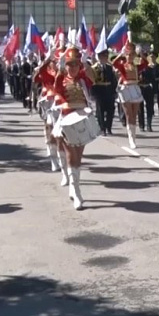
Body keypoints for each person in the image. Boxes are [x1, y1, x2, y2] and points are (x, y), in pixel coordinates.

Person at [52, 46, 95, 210]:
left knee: (79, 156)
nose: (73, 68)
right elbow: (56, 87)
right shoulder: (62, 80)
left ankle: (73, 185)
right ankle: (76, 191)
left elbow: (93, 78)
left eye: (76, 64)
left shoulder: (83, 79)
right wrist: (60, 66)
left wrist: (87, 63)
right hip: (67, 119)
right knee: (71, 155)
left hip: (82, 118)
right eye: (70, 65)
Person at [33, 47, 64, 176]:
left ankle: (63, 159)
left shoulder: (65, 70)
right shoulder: (47, 71)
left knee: (62, 134)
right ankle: (54, 160)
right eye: (55, 59)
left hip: (63, 102)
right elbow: (38, 74)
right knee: (50, 129)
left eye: (59, 59)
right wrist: (46, 60)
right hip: (49, 102)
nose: (57, 61)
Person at [112, 40, 147, 149]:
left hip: (135, 88)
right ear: (126, 56)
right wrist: (120, 54)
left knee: (134, 115)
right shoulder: (123, 66)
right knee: (128, 115)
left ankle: (134, 137)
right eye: (128, 55)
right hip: (125, 89)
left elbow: (145, 64)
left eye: (132, 55)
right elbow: (114, 63)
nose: (130, 57)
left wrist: (141, 53)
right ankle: (131, 139)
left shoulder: (136, 67)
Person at [90, 49, 117, 136]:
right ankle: (102, 128)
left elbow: (113, 80)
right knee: (100, 110)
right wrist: (93, 93)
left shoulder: (109, 67)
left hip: (109, 90)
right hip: (99, 90)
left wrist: (114, 91)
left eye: (106, 56)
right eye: (103, 56)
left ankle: (108, 127)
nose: (105, 58)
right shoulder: (94, 68)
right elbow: (92, 81)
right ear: (99, 57)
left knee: (111, 110)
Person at [138, 50, 158, 131]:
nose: (141, 60)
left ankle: (149, 125)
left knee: (149, 107)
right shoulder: (137, 68)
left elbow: (153, 80)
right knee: (140, 108)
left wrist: (155, 92)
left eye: (143, 58)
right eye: (140, 59)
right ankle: (141, 125)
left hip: (147, 88)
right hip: (139, 89)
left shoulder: (149, 69)